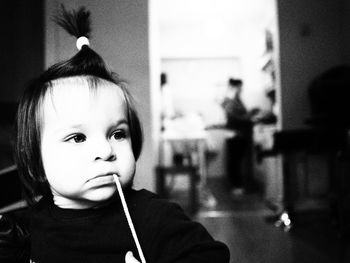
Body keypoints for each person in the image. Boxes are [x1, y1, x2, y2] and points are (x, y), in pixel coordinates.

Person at [0, 6, 230, 263]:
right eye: (78, 137)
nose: (106, 151)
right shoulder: (25, 229)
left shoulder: (154, 218)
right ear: (36, 164)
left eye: (118, 134)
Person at [221, 78, 254, 196]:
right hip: (235, 134)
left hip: (237, 134)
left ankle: (237, 185)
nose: (241, 89)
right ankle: (236, 185)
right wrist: (248, 116)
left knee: (236, 161)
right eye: (240, 87)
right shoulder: (231, 99)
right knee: (235, 161)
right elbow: (232, 115)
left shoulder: (235, 99)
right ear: (236, 87)